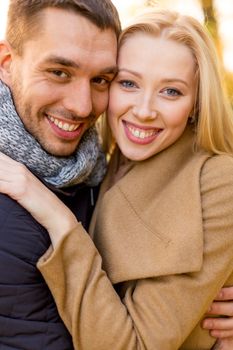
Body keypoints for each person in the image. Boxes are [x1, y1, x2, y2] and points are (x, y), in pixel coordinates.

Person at [0, 5, 233, 350]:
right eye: (127, 83)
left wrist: (56, 217)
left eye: (171, 91)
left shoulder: (213, 180)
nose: (143, 110)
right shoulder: (98, 163)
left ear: (197, 102)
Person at [0, 0, 120, 349]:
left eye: (100, 79)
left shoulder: (95, 169)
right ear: (7, 63)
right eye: (59, 72)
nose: (83, 106)